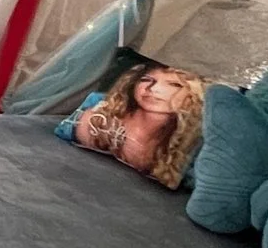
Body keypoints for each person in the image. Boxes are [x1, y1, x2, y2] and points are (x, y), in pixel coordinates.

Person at [67, 60, 207, 188]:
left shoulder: (197, 140)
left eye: (174, 85)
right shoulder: (100, 110)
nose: (153, 88)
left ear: (194, 93)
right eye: (146, 80)